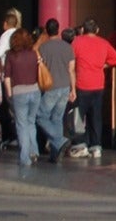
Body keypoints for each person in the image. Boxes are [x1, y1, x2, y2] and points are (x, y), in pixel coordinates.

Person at [70, 18, 116, 159]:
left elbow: (71, 61)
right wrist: (103, 65)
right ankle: (96, 146)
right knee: (96, 117)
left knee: (79, 117)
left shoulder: (77, 42)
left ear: (83, 29)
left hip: (82, 84)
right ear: (97, 30)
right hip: (98, 85)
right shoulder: (103, 43)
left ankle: (80, 144)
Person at [35, 18, 76, 162]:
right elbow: (71, 70)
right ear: (58, 30)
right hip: (65, 86)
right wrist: (73, 89)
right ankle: (55, 153)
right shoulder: (67, 47)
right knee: (57, 119)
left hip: (51, 87)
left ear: (47, 30)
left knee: (40, 116)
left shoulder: (43, 48)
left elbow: (39, 65)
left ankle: (59, 141)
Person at [2, 30, 43, 168]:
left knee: (21, 124)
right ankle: (34, 151)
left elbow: (7, 76)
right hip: (35, 90)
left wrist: (9, 94)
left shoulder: (11, 55)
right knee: (31, 122)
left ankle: (25, 158)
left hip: (19, 92)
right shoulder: (34, 53)